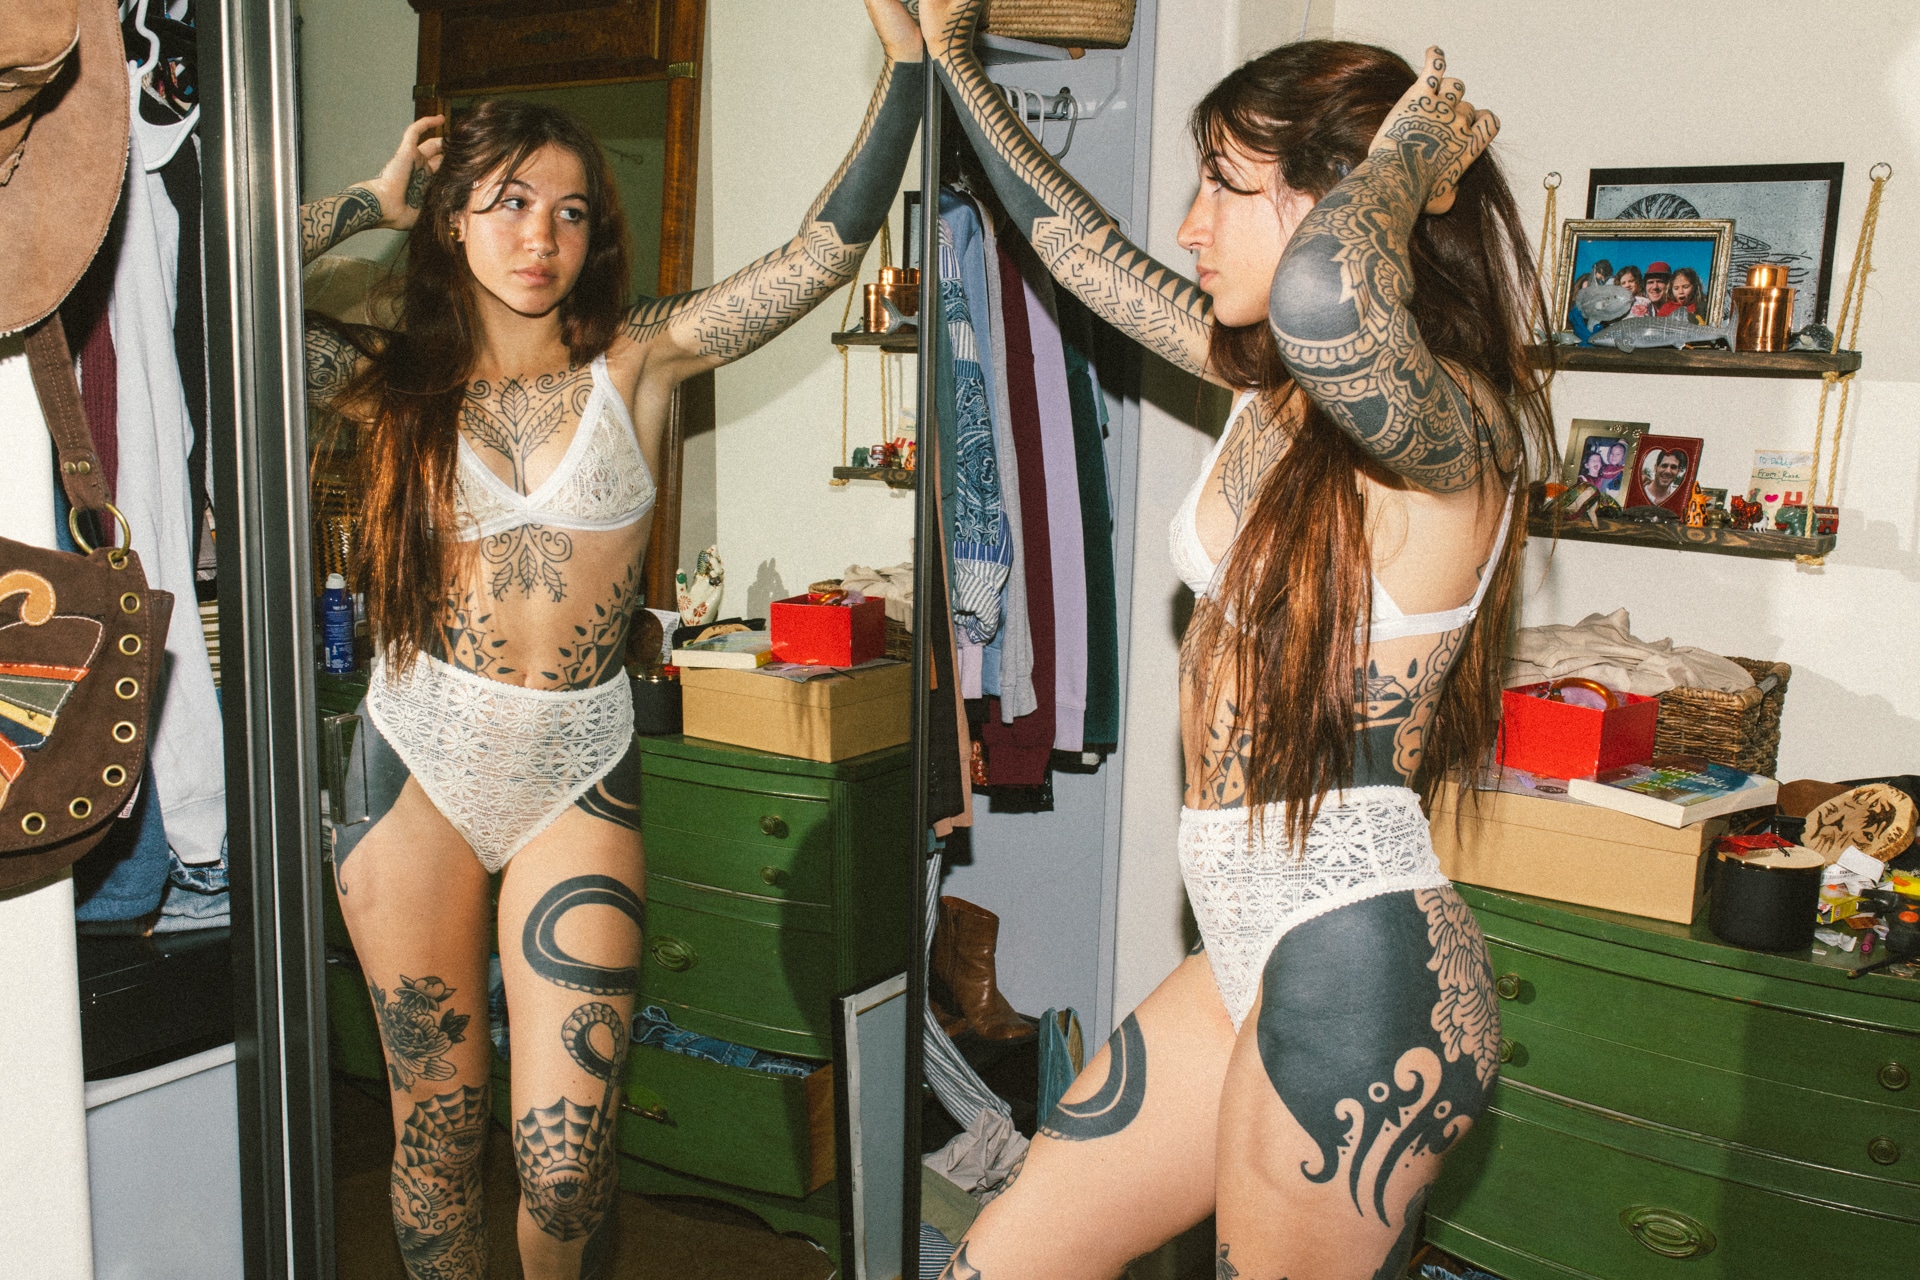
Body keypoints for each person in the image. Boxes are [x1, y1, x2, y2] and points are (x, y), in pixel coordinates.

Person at [916, 3, 1551, 1277]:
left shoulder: (1454, 426)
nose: (1191, 224)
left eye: (1225, 184)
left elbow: (1328, 300)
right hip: (1246, 944)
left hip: (1361, 965)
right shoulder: (1273, 392)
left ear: (1341, 196)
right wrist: (956, 62)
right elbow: (1079, 252)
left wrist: (1403, 162)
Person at [297, 5, 924, 1277]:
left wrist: (910, 71)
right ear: (451, 218)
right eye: (509, 203)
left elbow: (823, 254)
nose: (542, 237)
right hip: (416, 762)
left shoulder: (638, 363)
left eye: (571, 211)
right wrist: (367, 201)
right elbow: (211, 286)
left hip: (575, 768)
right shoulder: (384, 382)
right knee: (437, 1131)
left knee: (569, 1163)